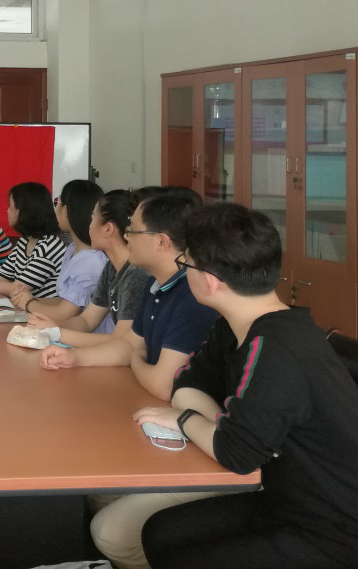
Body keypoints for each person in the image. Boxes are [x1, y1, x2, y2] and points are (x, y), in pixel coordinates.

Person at [139, 203, 358, 569]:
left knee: (183, 558)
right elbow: (185, 383)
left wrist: (186, 420)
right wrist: (223, 426)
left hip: (341, 527)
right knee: (160, 533)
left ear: (210, 280)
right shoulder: (236, 325)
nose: (184, 272)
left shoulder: (275, 346)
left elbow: (236, 454)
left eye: (186, 264)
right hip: (288, 498)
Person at [41, 190, 219, 569]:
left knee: (108, 528)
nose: (126, 235)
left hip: (205, 442)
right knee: (92, 489)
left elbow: (159, 382)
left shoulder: (190, 294)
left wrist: (134, 358)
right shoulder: (157, 285)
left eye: (133, 230)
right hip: (166, 421)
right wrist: (74, 358)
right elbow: (128, 347)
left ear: (162, 241)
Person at [26, 189, 147, 343]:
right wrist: (52, 327)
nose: (89, 226)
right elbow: (86, 320)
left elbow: (122, 342)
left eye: (92, 219)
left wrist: (57, 333)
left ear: (108, 229)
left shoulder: (137, 274)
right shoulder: (111, 267)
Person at [11, 181, 107, 328]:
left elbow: (65, 314)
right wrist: (26, 299)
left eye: (57, 203)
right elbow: (65, 301)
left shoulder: (91, 260)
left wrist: (29, 303)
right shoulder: (72, 249)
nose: (54, 209)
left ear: (66, 211)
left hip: (83, 336)